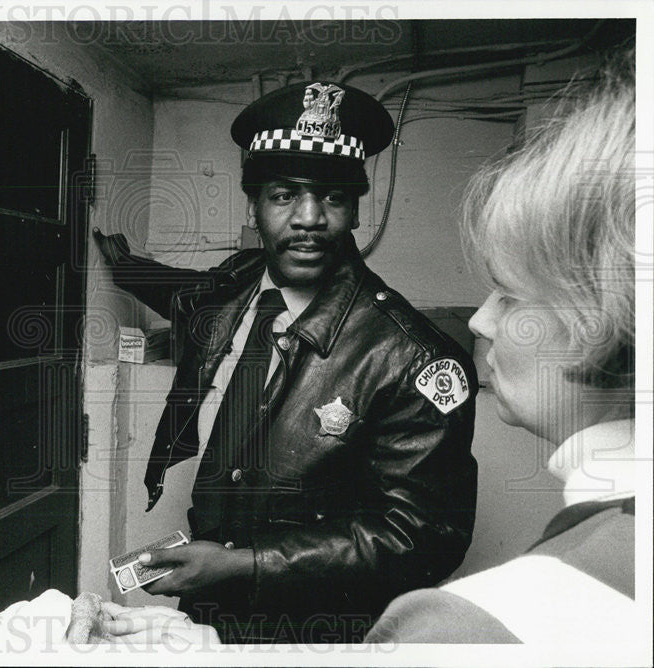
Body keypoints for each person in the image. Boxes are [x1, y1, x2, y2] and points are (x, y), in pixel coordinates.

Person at [94, 80, 479, 643]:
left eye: (331, 197)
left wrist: (245, 564)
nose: (308, 218)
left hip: (322, 633)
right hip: (212, 610)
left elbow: (422, 538)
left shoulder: (410, 357)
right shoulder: (236, 285)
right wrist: (125, 268)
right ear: (253, 203)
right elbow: (184, 292)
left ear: (353, 210)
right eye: (282, 195)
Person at [365, 50, 637, 645]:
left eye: (510, 294)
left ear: (606, 318)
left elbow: (417, 531)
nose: (481, 320)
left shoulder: (464, 631)